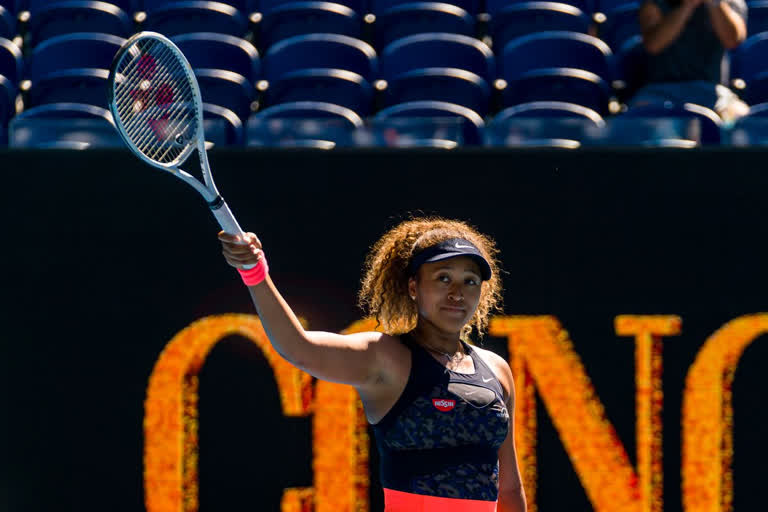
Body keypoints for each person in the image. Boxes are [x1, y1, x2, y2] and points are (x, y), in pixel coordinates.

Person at [218, 216, 527, 512]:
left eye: (469, 281)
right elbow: (299, 348)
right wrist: (255, 273)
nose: (457, 293)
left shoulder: (496, 370)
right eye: (443, 277)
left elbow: (509, 488)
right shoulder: (385, 357)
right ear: (413, 288)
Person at [630, 0, 749, 122]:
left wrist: (714, 4)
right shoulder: (655, 3)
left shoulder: (730, 2)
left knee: (740, 120)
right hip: (659, 92)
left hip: (713, 93)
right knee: (643, 122)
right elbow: (653, 45)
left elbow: (733, 40)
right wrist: (688, 5)